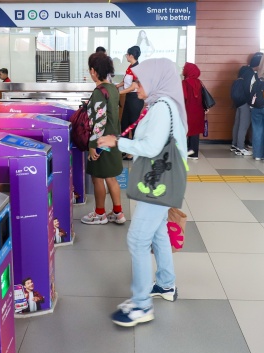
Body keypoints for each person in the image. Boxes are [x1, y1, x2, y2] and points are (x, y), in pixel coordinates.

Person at [97, 58, 187, 327]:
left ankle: (141, 305)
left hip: (157, 183)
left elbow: (150, 147)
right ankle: (165, 285)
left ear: (156, 80)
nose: (134, 87)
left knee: (137, 240)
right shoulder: (164, 103)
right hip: (163, 180)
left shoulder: (161, 107)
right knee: (158, 232)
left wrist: (117, 141)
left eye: (138, 81)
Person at [80, 52, 125, 226]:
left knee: (97, 177)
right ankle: (118, 213)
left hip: (101, 142)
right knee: (111, 177)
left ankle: (100, 214)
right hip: (114, 139)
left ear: (93, 70)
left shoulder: (99, 92)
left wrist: (93, 145)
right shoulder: (113, 88)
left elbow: (99, 122)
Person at [232, 52, 263, 156]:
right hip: (245, 101)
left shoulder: (243, 71)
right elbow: (248, 89)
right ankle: (240, 148)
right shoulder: (251, 74)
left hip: (238, 101)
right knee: (243, 125)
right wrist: (251, 102)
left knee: (237, 124)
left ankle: (235, 145)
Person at [116, 46, 143, 160]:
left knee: (133, 125)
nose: (126, 56)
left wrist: (120, 93)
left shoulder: (138, 68)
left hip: (135, 99)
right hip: (129, 98)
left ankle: (133, 152)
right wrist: (116, 86)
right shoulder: (130, 67)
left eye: (127, 54)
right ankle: (125, 149)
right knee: (125, 124)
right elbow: (125, 81)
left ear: (131, 55)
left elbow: (134, 86)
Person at [182, 62, 204, 159]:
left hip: (188, 110)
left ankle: (186, 150)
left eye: (184, 68)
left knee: (185, 129)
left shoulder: (185, 82)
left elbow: (183, 97)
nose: (183, 70)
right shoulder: (199, 82)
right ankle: (193, 153)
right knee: (195, 131)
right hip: (199, 110)